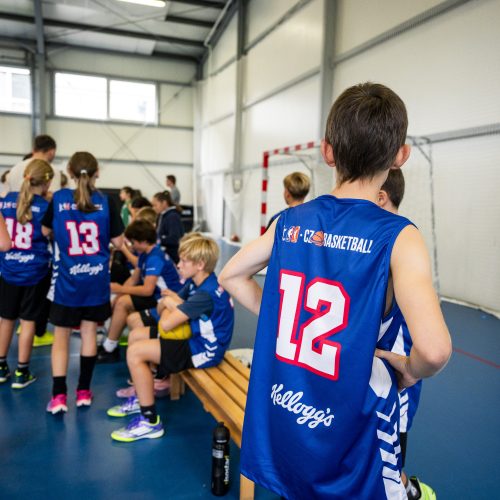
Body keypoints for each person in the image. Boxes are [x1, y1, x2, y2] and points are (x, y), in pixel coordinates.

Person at [219, 82, 452, 499]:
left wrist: (283, 320)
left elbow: (231, 275)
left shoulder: (288, 221)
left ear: (327, 152)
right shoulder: (400, 236)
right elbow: (434, 351)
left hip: (286, 413)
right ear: (400, 156)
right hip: (351, 430)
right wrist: (410, 368)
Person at [108, 234, 234, 442]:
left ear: (200, 264)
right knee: (137, 335)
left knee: (135, 353)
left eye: (184, 261)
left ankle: (150, 422)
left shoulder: (205, 294)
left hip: (204, 351)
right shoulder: (196, 282)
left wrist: (171, 303)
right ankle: (141, 396)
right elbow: (163, 305)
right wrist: (173, 304)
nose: (178, 265)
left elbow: (166, 323)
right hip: (194, 337)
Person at [42, 152, 124, 414]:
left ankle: (58, 396)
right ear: (97, 172)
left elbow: (44, 231)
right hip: (96, 281)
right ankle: (84, 392)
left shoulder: (59, 199)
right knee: (89, 333)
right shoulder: (106, 201)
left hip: (66, 280)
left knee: (61, 336)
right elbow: (119, 242)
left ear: (69, 172)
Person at [377, 170, 434, 500]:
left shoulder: (400, 241)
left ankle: (407, 490)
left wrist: (410, 369)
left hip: (397, 370)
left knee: (391, 450)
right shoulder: (388, 238)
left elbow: (433, 347)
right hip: (379, 368)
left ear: (380, 196)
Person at [0, 160, 54, 388]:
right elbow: (50, 234)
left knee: (6, 319)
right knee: (28, 321)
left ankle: (1, 367)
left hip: (8, 269)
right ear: (47, 183)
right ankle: (22, 372)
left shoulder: (5, 201)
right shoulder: (46, 207)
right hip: (36, 271)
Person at [97, 219, 182, 363]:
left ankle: (110, 348)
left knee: (123, 303)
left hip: (166, 300)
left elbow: (148, 290)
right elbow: (134, 279)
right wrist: (120, 293)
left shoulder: (155, 257)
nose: (131, 245)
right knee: (121, 300)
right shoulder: (145, 254)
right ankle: (110, 345)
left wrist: (120, 289)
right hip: (156, 295)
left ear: (143, 241)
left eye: (133, 242)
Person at [152, 191, 184, 264]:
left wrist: (157, 240)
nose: (153, 208)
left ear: (164, 203)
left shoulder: (173, 217)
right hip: (165, 254)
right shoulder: (161, 215)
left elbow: (175, 239)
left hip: (172, 257)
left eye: (155, 205)